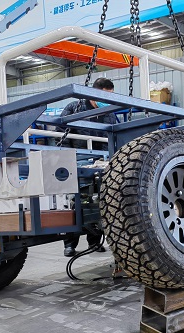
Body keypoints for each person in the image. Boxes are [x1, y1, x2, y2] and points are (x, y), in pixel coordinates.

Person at [61, 77, 117, 257]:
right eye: (104, 96)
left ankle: (94, 242)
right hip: (79, 160)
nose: (107, 100)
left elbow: (116, 134)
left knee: (98, 200)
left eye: (110, 96)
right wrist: (67, 159)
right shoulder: (74, 108)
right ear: (93, 93)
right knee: (75, 203)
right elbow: (61, 134)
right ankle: (70, 244)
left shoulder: (109, 112)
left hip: (101, 161)